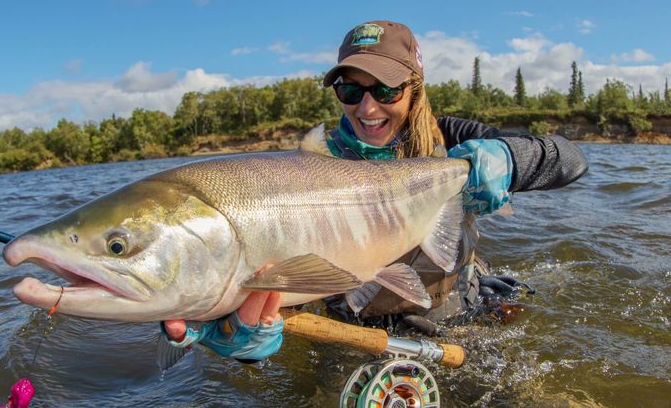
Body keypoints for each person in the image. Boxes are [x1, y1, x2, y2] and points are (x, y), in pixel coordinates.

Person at [161, 20, 589, 362]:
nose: (367, 108)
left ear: (415, 88)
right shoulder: (311, 166)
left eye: (386, 89)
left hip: (456, 311)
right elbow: (278, 279)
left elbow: (570, 161)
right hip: (353, 327)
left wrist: (508, 157)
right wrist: (244, 342)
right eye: (350, 89)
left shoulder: (455, 138)